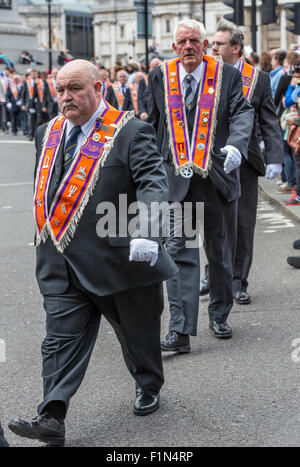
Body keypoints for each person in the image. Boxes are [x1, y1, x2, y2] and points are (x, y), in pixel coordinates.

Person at [8, 59, 177, 447]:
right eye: (61, 89)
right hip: (61, 263)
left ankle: (148, 382)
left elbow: (153, 181)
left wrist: (148, 231)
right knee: (58, 341)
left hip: (120, 262)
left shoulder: (132, 131)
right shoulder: (45, 132)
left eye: (76, 89)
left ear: (98, 88)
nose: (66, 97)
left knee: (139, 338)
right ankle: (52, 415)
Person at [148, 19, 254, 349]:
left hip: (217, 178)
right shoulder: (160, 76)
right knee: (179, 251)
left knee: (220, 253)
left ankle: (219, 314)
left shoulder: (227, 74)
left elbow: (241, 111)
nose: (189, 47)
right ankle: (180, 329)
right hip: (177, 179)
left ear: (205, 44)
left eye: (195, 40)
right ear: (174, 47)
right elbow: (154, 123)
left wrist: (237, 145)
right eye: (183, 42)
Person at [207, 19, 283, 305]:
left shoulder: (258, 79)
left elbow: (269, 120)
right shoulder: (207, 75)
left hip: (245, 163)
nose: (212, 48)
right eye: (212, 43)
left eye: (219, 44)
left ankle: (238, 280)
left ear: (236, 48)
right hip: (211, 161)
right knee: (214, 224)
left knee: (242, 224)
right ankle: (214, 276)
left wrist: (275, 158)